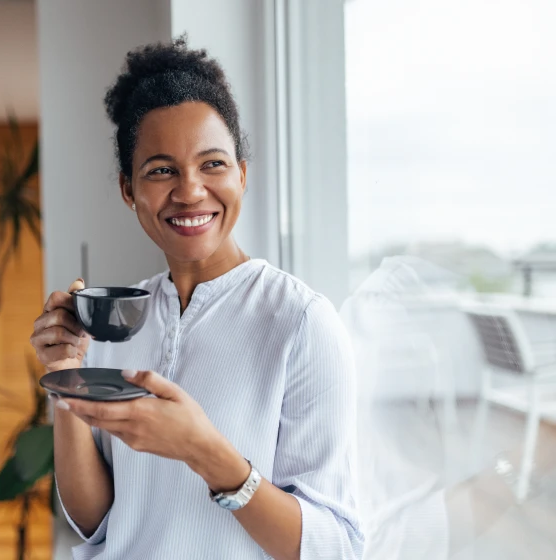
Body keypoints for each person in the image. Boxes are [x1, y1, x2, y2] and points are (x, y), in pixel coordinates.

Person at [30, 37, 363, 560]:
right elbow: (97, 523)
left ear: (242, 175)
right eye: (161, 170)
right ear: (127, 188)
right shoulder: (116, 322)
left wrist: (203, 451)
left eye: (212, 164)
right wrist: (68, 376)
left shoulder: (301, 323)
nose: (189, 191)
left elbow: (335, 546)